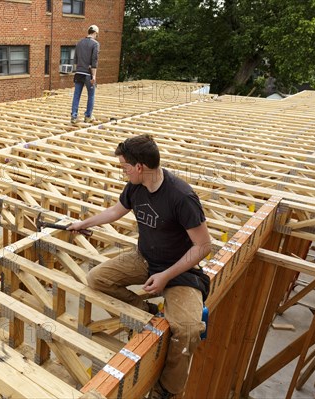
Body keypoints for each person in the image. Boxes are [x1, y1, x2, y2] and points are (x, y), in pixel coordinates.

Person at [67, 134, 211, 399]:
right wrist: (83, 224)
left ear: (139, 167)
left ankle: (165, 390)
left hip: (179, 271)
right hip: (144, 258)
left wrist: (166, 276)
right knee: (97, 279)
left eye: (124, 167)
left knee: (188, 330)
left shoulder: (181, 196)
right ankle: (146, 310)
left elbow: (203, 246)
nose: (122, 172)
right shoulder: (135, 187)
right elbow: (115, 212)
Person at [70, 24, 100, 124]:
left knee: (76, 95)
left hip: (78, 73)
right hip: (88, 74)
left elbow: (75, 60)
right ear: (95, 33)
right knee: (91, 95)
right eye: (97, 34)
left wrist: (75, 72)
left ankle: (74, 116)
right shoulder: (95, 44)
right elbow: (94, 61)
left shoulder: (79, 43)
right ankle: (88, 116)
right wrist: (94, 76)